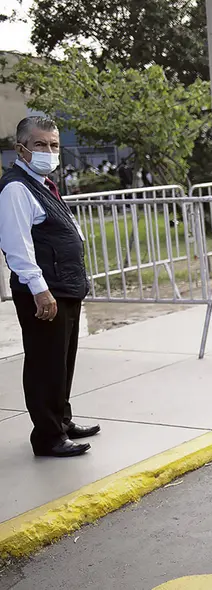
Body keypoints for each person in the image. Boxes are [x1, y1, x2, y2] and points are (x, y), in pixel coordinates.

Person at [0, 116, 101, 458]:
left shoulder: (42, 183)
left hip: (65, 286)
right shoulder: (16, 188)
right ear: (21, 149)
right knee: (45, 363)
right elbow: (17, 245)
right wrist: (39, 288)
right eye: (40, 145)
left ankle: (61, 421)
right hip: (45, 290)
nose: (49, 151)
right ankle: (47, 436)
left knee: (62, 361)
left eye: (54, 145)